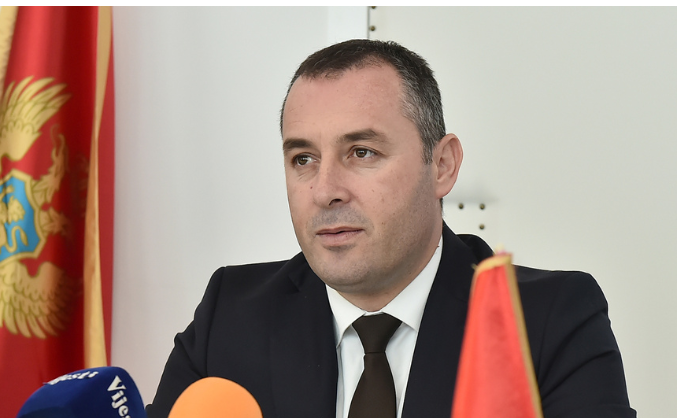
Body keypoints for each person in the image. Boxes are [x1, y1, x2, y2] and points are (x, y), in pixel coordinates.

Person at [147, 39, 635, 418]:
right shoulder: (231, 315)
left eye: (362, 152)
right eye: (303, 159)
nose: (325, 190)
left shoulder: (547, 321)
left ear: (442, 165)